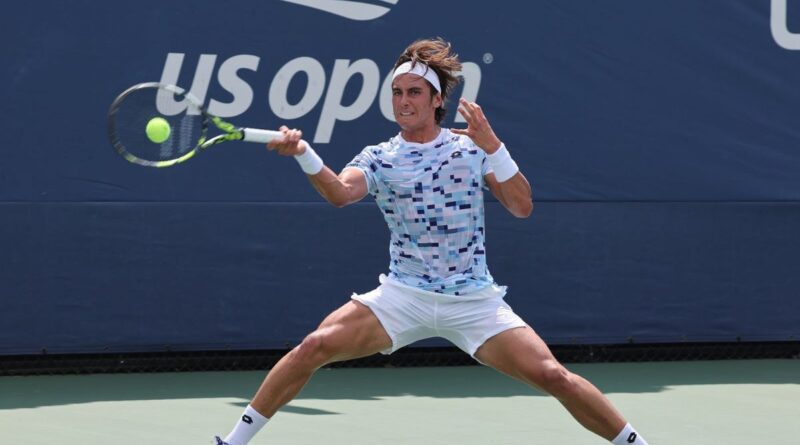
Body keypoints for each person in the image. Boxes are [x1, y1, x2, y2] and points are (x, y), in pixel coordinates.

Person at [215, 38, 649, 445]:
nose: (404, 102)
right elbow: (341, 194)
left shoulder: (471, 149)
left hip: (473, 300)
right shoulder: (380, 156)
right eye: (397, 92)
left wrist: (494, 145)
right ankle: (233, 441)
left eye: (415, 93)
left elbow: (521, 206)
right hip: (404, 295)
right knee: (314, 346)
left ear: (437, 100)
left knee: (553, 375)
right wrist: (306, 156)